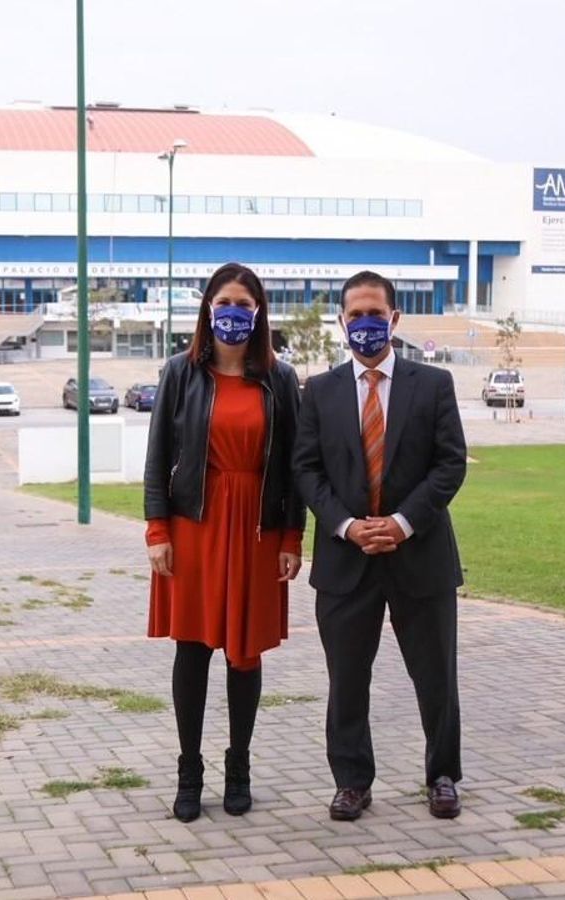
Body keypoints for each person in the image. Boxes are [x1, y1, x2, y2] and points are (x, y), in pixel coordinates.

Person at [293, 270, 468, 822]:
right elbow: (306, 470)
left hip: (420, 556)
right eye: (355, 315)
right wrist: (347, 525)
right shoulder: (318, 392)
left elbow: (449, 465)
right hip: (347, 562)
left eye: (375, 314)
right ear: (341, 321)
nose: (365, 324)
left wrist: (402, 522)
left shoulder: (433, 384)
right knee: (347, 680)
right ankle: (352, 781)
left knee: (436, 676)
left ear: (394, 319)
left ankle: (442, 776)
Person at [144, 262, 306, 822]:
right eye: (224, 301)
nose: (232, 310)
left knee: (245, 651)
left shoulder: (279, 379)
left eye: (243, 301)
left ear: (258, 312)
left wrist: (292, 535)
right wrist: (157, 530)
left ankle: (240, 765)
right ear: (208, 309)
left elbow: (294, 465)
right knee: (192, 647)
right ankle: (190, 770)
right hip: (194, 527)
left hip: (258, 530)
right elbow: (158, 458)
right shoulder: (179, 373)